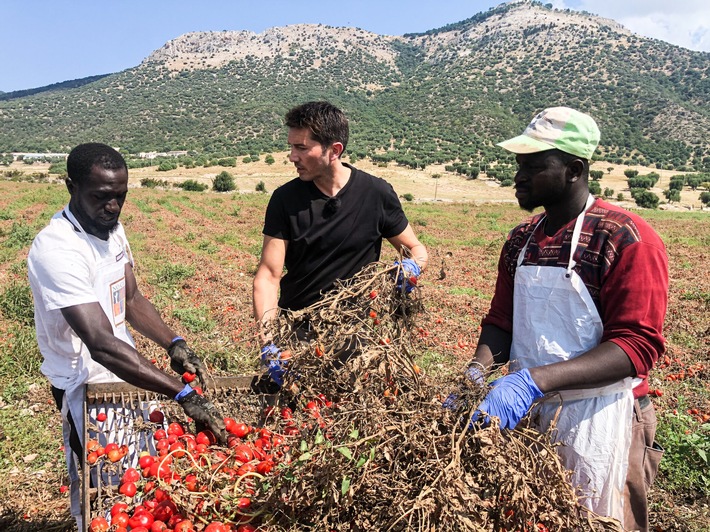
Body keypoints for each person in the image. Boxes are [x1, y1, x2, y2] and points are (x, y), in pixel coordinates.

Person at [461, 107, 667, 531]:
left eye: (534, 166)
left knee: (598, 519)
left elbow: (635, 347)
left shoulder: (626, 238)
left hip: (605, 413)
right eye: (519, 165)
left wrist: (533, 381)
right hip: (528, 415)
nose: (519, 176)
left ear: (574, 169)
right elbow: (502, 321)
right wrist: (476, 375)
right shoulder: (522, 240)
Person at [27, 143, 227, 530]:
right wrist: (180, 392)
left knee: (137, 476)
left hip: (126, 372)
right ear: (71, 185)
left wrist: (174, 342)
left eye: (121, 196)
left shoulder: (112, 230)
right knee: (106, 489)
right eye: (102, 197)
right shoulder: (58, 249)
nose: (114, 207)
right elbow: (100, 344)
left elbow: (131, 297)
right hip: (84, 383)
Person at [253, 101, 428, 384]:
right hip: (297, 332)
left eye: (301, 148)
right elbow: (269, 275)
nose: (291, 156)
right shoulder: (285, 200)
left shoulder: (376, 194)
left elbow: (416, 249)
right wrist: (269, 340)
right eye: (291, 146)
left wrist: (412, 267)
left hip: (356, 335)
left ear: (334, 150)